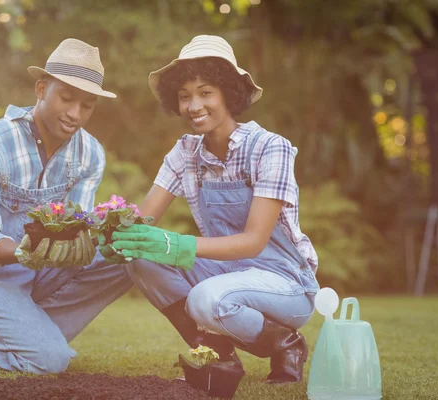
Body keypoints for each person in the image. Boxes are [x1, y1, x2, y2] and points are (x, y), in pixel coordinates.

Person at [100, 35, 320, 384]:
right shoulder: (185, 153)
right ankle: (219, 358)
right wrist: (114, 234)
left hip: (285, 284)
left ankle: (286, 342)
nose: (193, 105)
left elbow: (252, 242)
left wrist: (179, 245)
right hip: (227, 274)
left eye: (205, 92)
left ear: (228, 95)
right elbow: (144, 220)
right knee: (140, 258)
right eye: (185, 96)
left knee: (205, 298)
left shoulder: (269, 148)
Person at [0, 38, 132, 374]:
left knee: (127, 257)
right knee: (51, 361)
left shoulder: (90, 154)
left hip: (41, 267)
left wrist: (94, 236)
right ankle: (14, 341)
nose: (75, 114)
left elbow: (78, 226)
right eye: (66, 98)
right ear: (42, 89)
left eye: (87, 105)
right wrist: (29, 251)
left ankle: (10, 332)